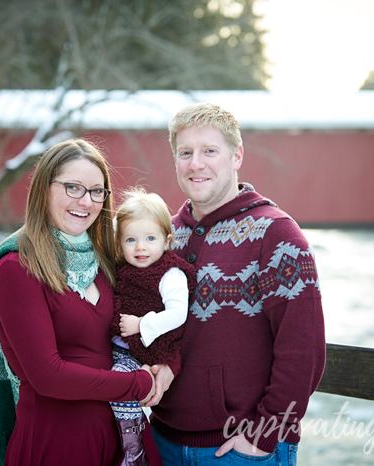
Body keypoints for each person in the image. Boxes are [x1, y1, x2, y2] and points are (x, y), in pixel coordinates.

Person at [147, 103, 326, 465]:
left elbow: (304, 348)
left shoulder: (276, 235)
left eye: (209, 151)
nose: (196, 163)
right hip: (162, 441)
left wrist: (266, 433)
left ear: (236, 156)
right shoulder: (165, 235)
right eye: (186, 153)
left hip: (241, 450)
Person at [0, 138, 163, 466]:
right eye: (73, 188)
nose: (86, 202)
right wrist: (137, 383)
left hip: (119, 439)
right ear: (44, 188)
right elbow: (49, 376)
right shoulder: (18, 267)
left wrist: (163, 364)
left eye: (96, 191)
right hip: (55, 443)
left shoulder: (105, 263)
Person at [107, 188, 197, 466]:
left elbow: (177, 315)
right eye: (131, 239)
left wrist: (141, 324)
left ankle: (133, 451)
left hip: (147, 350)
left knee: (119, 388)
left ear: (166, 240)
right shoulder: (121, 269)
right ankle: (114, 446)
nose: (140, 247)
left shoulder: (170, 273)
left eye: (149, 238)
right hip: (120, 348)